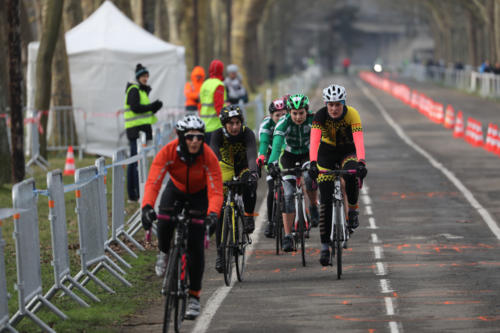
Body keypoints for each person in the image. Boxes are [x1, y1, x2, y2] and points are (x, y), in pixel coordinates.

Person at [141, 115, 223, 320]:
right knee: (165, 221)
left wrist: (213, 215)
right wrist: (147, 207)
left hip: (199, 195)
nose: (195, 141)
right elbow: (153, 181)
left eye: (199, 137)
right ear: (180, 137)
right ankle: (164, 252)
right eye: (190, 137)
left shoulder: (208, 156)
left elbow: (215, 190)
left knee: (196, 247)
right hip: (175, 190)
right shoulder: (168, 152)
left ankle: (194, 298)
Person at [308, 84, 367, 266]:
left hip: (347, 151)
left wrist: (362, 162)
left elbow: (358, 140)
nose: (334, 109)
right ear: (326, 104)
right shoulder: (320, 116)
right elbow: (314, 141)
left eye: (337, 105)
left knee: (350, 174)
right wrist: (312, 163)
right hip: (326, 152)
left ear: (343, 104)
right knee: (325, 201)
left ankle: (354, 209)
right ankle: (325, 247)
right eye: (330, 105)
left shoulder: (352, 115)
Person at [267, 94, 319, 252]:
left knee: (310, 178)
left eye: (301, 113)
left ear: (307, 111)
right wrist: (272, 163)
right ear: (289, 112)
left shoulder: (313, 120)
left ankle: (313, 205)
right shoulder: (283, 123)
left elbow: (319, 142)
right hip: (288, 157)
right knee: (288, 195)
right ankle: (288, 236)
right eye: (294, 113)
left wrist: (317, 162)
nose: (298, 117)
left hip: (307, 154)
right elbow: (276, 145)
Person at [209, 105, 259, 273]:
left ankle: (249, 216)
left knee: (250, 182)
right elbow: (213, 157)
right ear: (224, 124)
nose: (235, 127)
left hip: (244, 166)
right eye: (231, 123)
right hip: (225, 167)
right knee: (221, 211)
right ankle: (220, 254)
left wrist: (253, 173)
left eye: (237, 122)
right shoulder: (217, 135)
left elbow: (252, 155)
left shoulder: (247, 133)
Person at [124, 63, 163, 202]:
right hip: (135, 131)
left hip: (141, 130)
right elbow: (135, 108)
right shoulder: (134, 89)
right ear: (138, 77)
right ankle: (133, 194)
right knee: (134, 162)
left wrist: (154, 108)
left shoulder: (141, 90)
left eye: (147, 76)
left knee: (139, 162)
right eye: (143, 76)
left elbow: (143, 111)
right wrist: (152, 106)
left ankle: (139, 191)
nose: (146, 78)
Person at [257, 98, 287, 238]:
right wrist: (262, 157)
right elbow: (263, 143)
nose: (281, 118)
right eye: (277, 115)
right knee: (271, 187)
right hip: (271, 153)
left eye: (283, 114)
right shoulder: (266, 125)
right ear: (271, 116)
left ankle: (301, 215)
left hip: (287, 152)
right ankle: (270, 222)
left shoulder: (290, 121)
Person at [199, 59, 227, 144]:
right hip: (216, 127)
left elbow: (200, 104)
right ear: (221, 70)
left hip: (204, 126)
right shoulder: (219, 85)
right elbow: (219, 107)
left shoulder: (205, 83)